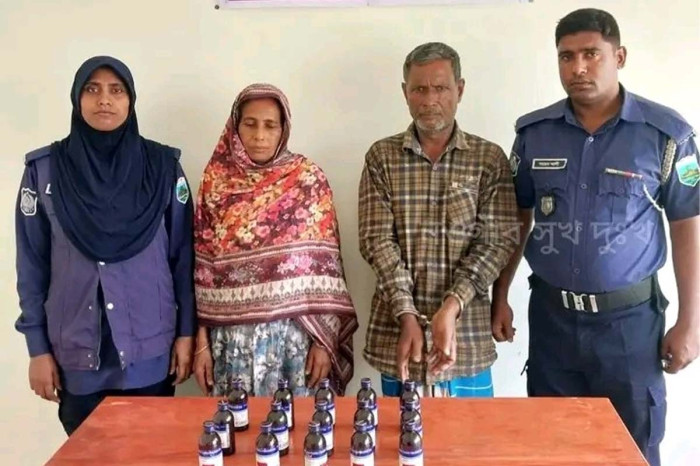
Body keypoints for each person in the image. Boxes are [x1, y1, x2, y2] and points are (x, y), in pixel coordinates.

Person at [492, 9, 700, 466]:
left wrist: (692, 321)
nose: (578, 68)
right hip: (552, 321)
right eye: (566, 57)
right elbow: (517, 217)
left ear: (619, 57)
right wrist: (499, 294)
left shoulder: (666, 135)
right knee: (552, 448)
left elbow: (687, 224)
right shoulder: (534, 134)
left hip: (629, 327)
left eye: (591, 54)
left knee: (632, 450)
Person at [15, 56, 196, 435]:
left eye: (116, 90)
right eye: (92, 89)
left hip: (150, 351)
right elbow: (31, 265)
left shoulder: (162, 168)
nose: (104, 100)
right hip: (76, 356)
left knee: (150, 455)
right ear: (76, 98)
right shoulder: (44, 171)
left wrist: (186, 333)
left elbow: (183, 258)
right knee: (88, 456)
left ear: (131, 100)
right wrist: (37, 349)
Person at [358, 42, 518, 397]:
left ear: (459, 89)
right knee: (401, 432)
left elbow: (497, 242)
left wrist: (453, 304)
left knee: (473, 433)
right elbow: (376, 241)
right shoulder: (381, 157)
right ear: (405, 93)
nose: (430, 99)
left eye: (441, 88)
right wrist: (406, 312)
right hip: (399, 337)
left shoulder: (488, 159)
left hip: (467, 340)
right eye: (419, 89)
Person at [192, 83, 358, 397]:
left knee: (296, 425)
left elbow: (326, 270)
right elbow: (201, 272)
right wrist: (201, 344)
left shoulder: (307, 180)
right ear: (235, 127)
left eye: (270, 125)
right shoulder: (215, 183)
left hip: (295, 342)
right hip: (231, 344)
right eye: (250, 124)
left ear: (284, 129)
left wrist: (324, 343)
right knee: (236, 424)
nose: (259, 135)